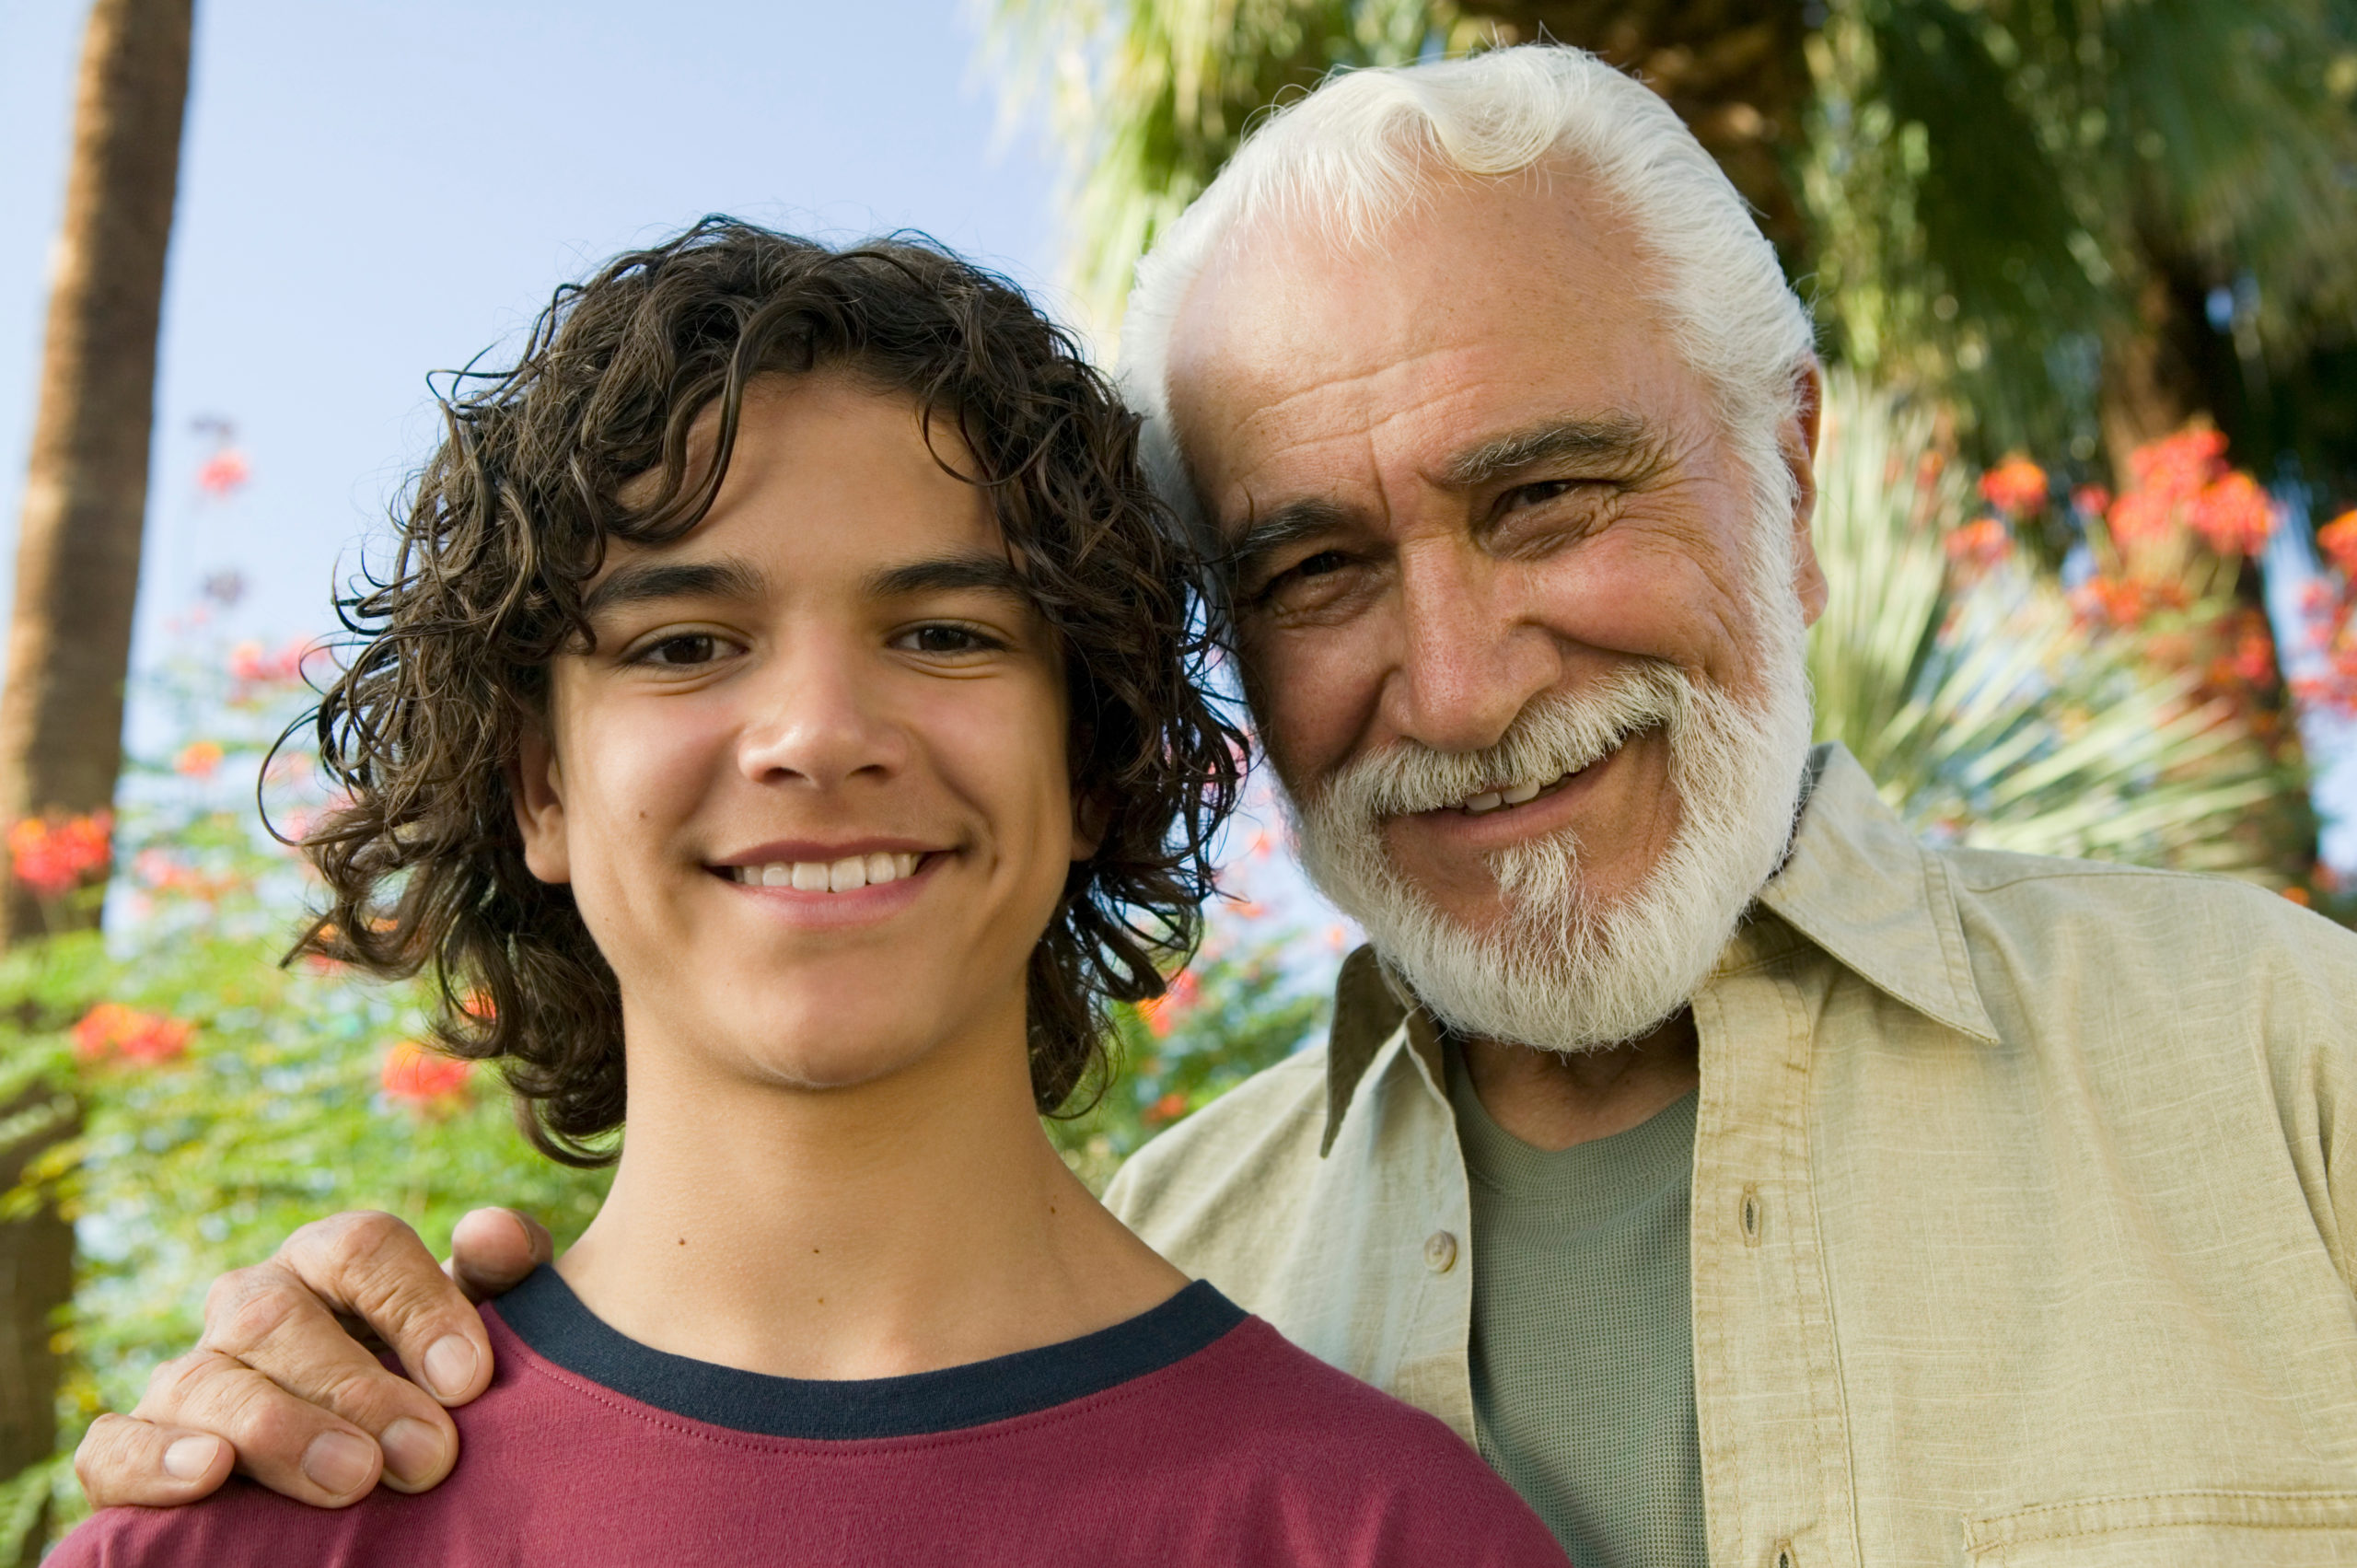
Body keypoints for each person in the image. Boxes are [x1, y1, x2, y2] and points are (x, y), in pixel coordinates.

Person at [79, 45, 2357, 1567]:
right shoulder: (1179, 1260)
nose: (1457, 680)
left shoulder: (2286, 1079)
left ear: (1782, 460)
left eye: (1547, 495)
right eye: (1314, 569)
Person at [48, 219, 1568, 1567]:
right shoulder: (234, 1532)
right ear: (542, 787)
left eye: (947, 635)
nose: (821, 734)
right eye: (685, 645)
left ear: (1092, 760)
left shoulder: (1387, 1533)